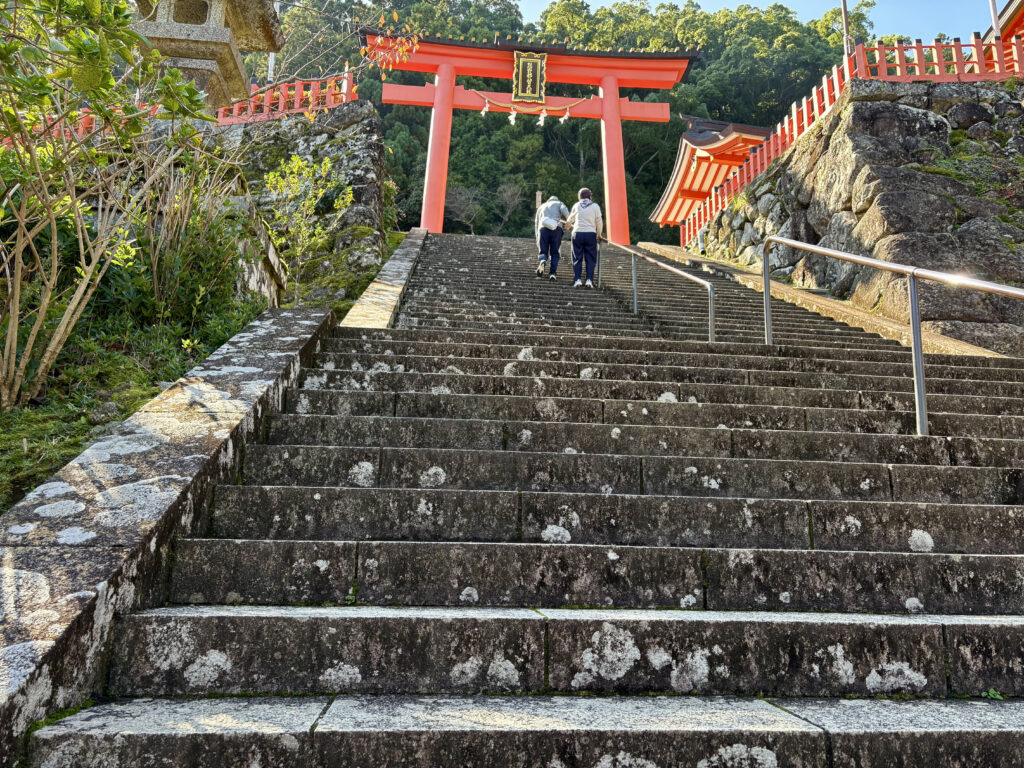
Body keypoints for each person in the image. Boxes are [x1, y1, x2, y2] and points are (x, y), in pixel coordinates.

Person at [565, 187, 603, 288]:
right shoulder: (595, 206)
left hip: (577, 233)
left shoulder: (576, 205)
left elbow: (569, 220)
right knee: (590, 258)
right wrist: (599, 234)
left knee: (577, 257)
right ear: (590, 196)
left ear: (579, 196)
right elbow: (599, 221)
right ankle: (589, 280)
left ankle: (577, 279)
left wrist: (568, 226)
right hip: (590, 234)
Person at [534, 194, 569, 279]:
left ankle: (543, 259)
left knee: (543, 250)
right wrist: (568, 223)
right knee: (554, 252)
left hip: (543, 228)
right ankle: (552, 273)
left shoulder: (542, 206)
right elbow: (567, 214)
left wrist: (537, 235)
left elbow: (536, 222)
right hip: (556, 229)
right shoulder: (560, 203)